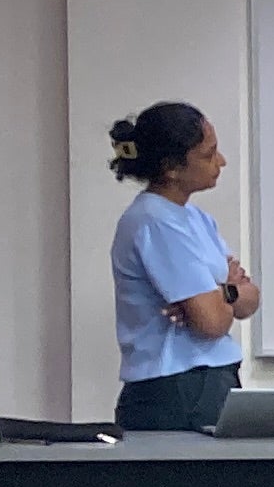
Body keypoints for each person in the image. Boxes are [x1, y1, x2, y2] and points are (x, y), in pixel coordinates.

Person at [107, 101, 256, 431]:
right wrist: (224, 296)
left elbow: (250, 299)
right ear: (171, 167)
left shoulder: (197, 219)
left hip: (209, 380)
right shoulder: (154, 221)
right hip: (177, 387)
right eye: (208, 154)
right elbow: (213, 322)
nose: (221, 162)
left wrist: (221, 293)